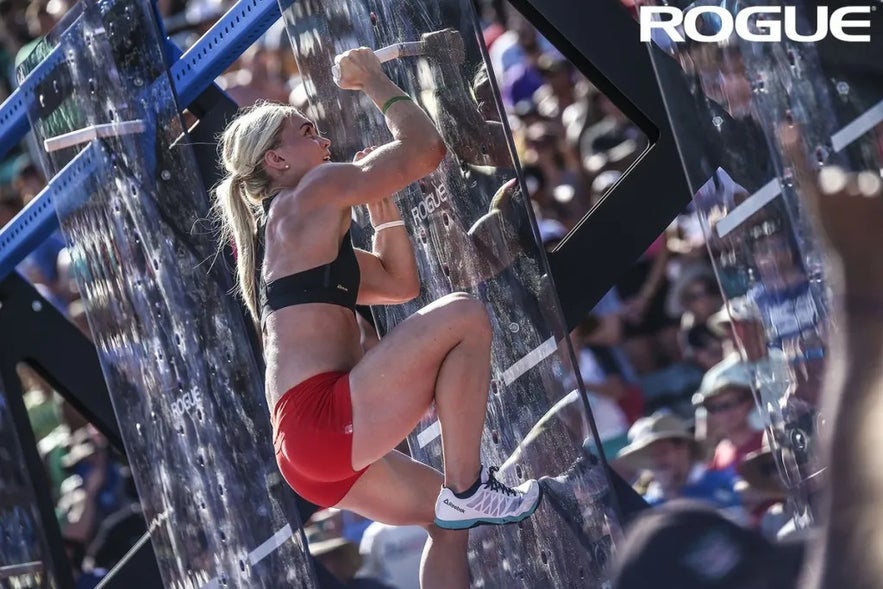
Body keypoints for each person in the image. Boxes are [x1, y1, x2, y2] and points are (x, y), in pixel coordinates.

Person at [212, 48, 542, 589]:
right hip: (320, 421)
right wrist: (374, 81)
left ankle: (459, 500)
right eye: (307, 132)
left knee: (443, 524)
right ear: (277, 160)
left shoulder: (295, 231)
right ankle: (468, 488)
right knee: (464, 315)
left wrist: (383, 213)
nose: (323, 140)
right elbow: (424, 150)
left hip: (305, 449)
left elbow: (398, 285)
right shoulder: (310, 192)